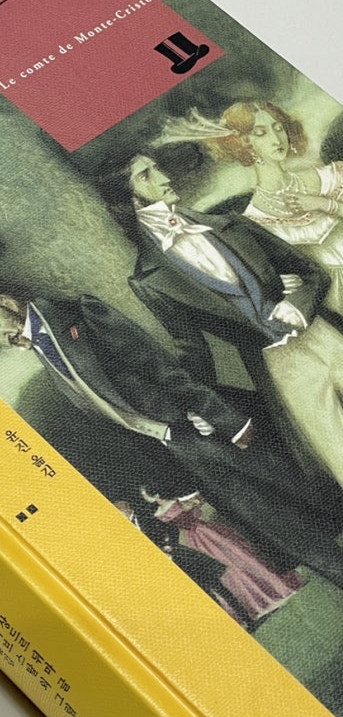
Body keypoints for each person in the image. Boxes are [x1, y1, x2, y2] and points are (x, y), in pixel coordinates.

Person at [0, 275, 343, 589]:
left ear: (6, 300)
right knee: (279, 525)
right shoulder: (44, 355)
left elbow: (159, 367)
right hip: (182, 452)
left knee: (309, 494)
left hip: (208, 426)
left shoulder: (80, 313)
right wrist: (178, 481)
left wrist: (224, 419)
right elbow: (121, 424)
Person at [118, 150, 343, 489]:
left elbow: (311, 272)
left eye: (157, 168)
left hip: (321, 334)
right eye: (145, 175)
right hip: (278, 367)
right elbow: (192, 347)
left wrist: (297, 305)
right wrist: (202, 407)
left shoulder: (230, 223)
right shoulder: (148, 279)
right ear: (128, 198)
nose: (164, 178)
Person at [202, 101, 343, 314]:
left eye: (278, 128)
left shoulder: (331, 177)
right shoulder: (253, 221)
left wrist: (324, 204)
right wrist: (280, 284)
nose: (276, 139)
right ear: (244, 143)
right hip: (331, 305)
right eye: (261, 133)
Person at [139, 488, 306, 626]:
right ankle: (265, 592)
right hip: (204, 532)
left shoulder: (160, 514)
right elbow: (195, 512)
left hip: (196, 537)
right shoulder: (173, 504)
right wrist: (194, 509)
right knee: (235, 558)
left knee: (236, 558)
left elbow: (181, 524)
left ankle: (260, 594)